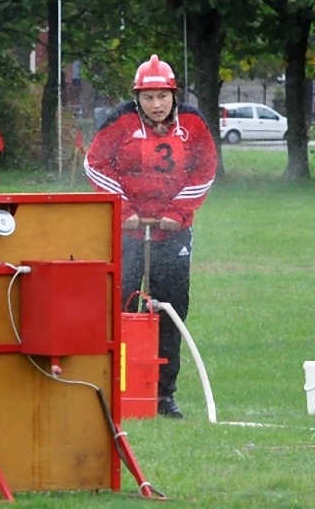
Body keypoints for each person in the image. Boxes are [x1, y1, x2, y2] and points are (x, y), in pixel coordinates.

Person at [84, 55, 218, 418]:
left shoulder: (192, 122)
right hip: (127, 231)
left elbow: (205, 168)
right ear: (137, 98)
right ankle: (119, 387)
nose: (156, 105)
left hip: (173, 233)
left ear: (173, 95)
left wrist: (176, 212)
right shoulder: (121, 121)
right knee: (122, 305)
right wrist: (124, 210)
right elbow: (95, 163)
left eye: (162, 96)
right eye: (148, 97)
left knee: (170, 310)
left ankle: (163, 394)